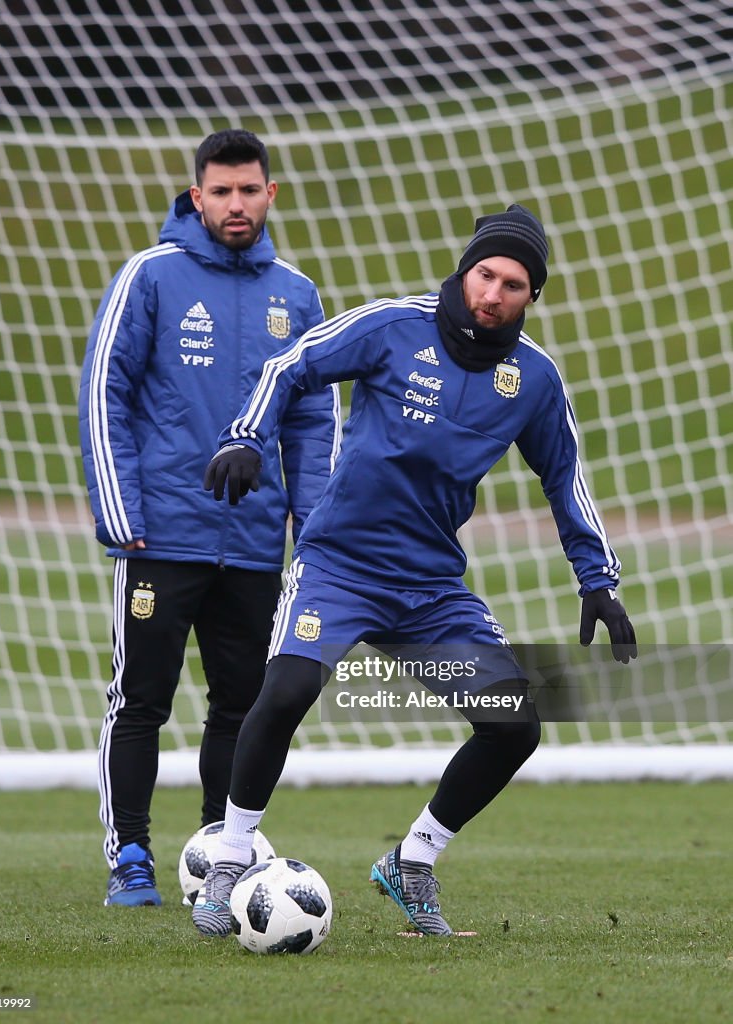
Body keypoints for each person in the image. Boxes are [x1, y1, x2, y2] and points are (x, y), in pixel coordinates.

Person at [192, 203, 637, 937]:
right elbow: (289, 364)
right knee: (289, 689)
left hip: (431, 588)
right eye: (484, 274)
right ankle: (232, 858)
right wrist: (244, 435)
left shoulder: (533, 380)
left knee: (515, 724)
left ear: (533, 297)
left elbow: (566, 478)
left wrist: (599, 580)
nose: (492, 293)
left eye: (513, 284)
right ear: (465, 271)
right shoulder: (394, 325)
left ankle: (414, 858)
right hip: (340, 565)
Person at [78, 129, 341, 907]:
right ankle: (129, 854)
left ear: (271, 195)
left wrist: (312, 525)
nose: (236, 204)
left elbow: (314, 419)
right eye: (220, 192)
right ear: (197, 197)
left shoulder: (296, 293)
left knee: (242, 704)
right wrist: (121, 509)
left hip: (256, 546)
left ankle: (221, 860)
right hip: (160, 534)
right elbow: (105, 394)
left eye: (249, 190)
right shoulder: (150, 276)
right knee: (141, 699)